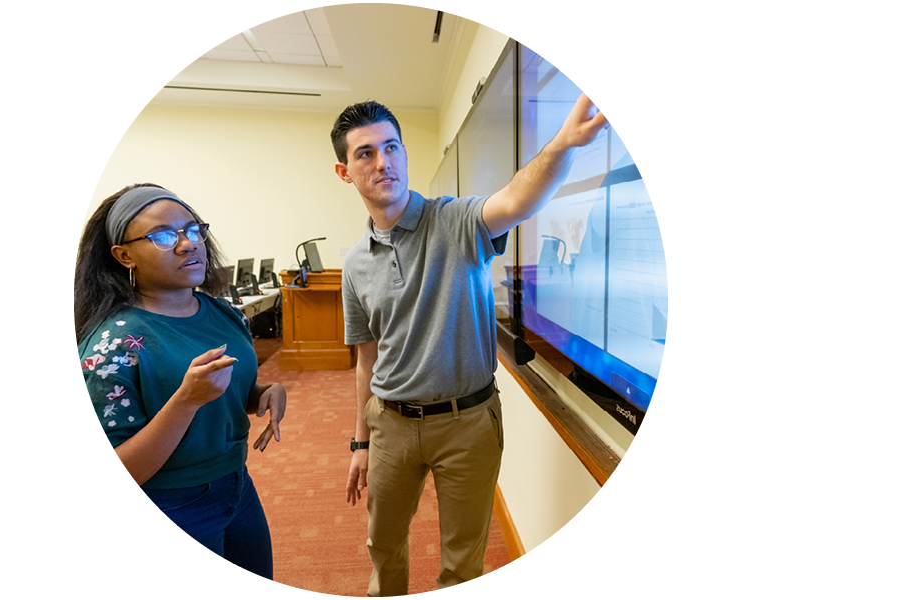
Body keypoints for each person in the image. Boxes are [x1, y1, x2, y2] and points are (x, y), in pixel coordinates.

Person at [334, 95, 608, 595]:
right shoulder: (354, 263)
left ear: (405, 155)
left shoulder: (457, 221)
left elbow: (518, 199)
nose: (383, 162)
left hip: (468, 425)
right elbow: (365, 358)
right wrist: (361, 442)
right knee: (384, 546)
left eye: (391, 147)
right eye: (366, 153)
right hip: (389, 424)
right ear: (344, 171)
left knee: (463, 565)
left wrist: (564, 144)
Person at [74, 183, 287, 579]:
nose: (188, 244)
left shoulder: (223, 312)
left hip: (237, 487)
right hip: (170, 504)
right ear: (124, 256)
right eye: (164, 236)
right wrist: (185, 400)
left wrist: (262, 393)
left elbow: (223, 393)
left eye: (193, 230)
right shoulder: (112, 344)